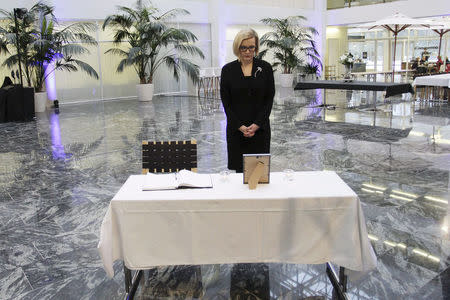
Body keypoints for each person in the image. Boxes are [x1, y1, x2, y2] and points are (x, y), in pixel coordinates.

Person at [220, 28, 275, 173]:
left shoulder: (266, 68)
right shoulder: (227, 70)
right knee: (239, 173)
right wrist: (239, 126)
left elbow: (269, 100)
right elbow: (226, 103)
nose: (248, 51)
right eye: (243, 48)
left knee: (259, 173)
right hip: (237, 131)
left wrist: (257, 124)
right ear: (237, 48)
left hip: (260, 130)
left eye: (251, 47)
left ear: (256, 48)